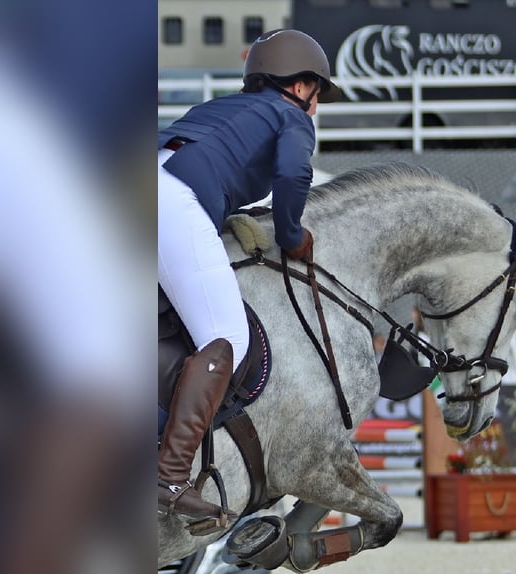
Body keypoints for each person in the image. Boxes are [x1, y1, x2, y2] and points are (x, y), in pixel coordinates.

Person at [157, 29, 340, 529]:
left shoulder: (221, 108)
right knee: (227, 339)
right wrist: (291, 233)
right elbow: (293, 176)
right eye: (317, 91)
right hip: (173, 206)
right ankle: (170, 478)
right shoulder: (290, 117)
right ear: (302, 85)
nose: (316, 104)